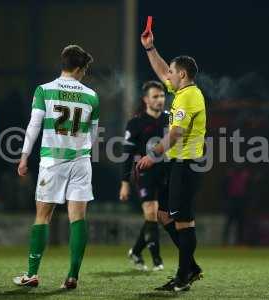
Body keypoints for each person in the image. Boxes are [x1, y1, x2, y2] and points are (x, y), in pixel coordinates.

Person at [13, 44, 99, 290]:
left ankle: (32, 273)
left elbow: (33, 126)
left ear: (63, 63)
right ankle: (72, 276)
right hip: (81, 162)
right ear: (81, 68)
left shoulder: (44, 90)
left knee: (42, 216)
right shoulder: (92, 95)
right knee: (78, 218)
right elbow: (93, 136)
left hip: (52, 161)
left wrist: (24, 156)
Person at [137, 28, 206, 291]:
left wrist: (151, 157)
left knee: (184, 221)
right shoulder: (181, 91)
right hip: (176, 164)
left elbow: (176, 134)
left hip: (187, 165)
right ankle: (190, 267)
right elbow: (161, 70)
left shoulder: (189, 96)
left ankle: (182, 276)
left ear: (183, 75)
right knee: (164, 214)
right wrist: (150, 49)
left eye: (173, 72)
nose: (168, 75)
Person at [119, 81, 168, 271]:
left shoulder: (170, 119)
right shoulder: (135, 123)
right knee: (150, 212)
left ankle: (136, 251)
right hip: (145, 174)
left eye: (162, 96)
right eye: (155, 96)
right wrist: (124, 182)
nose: (160, 100)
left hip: (165, 174)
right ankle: (157, 261)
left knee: (155, 217)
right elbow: (127, 155)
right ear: (146, 99)